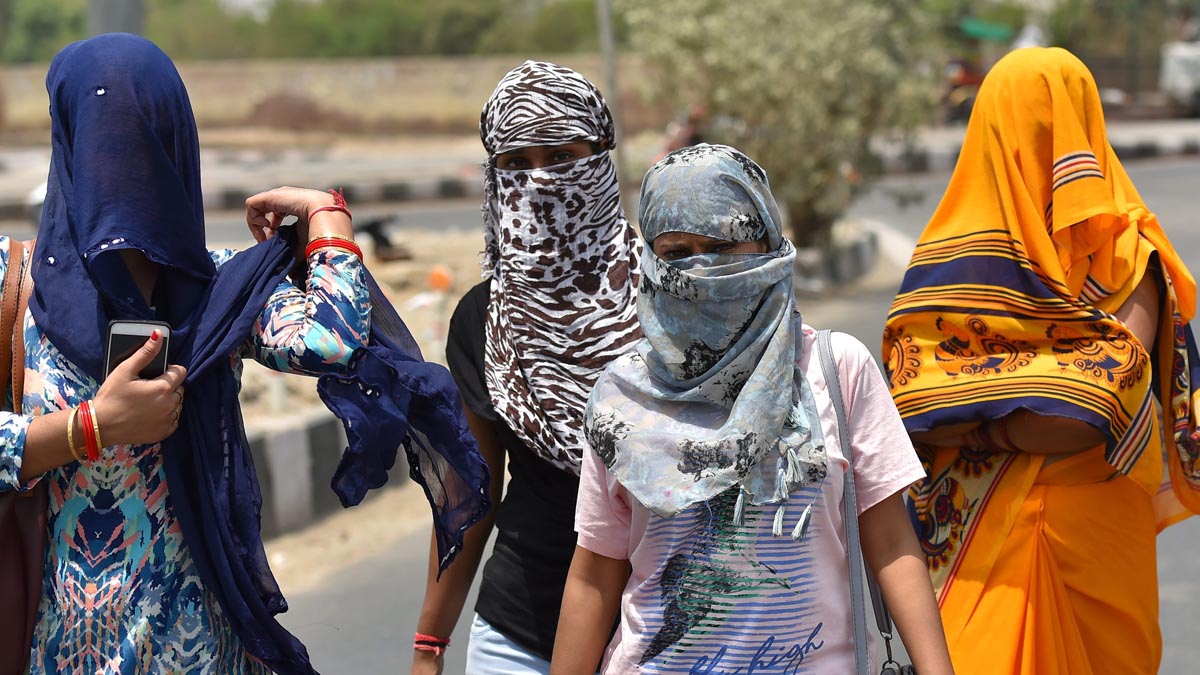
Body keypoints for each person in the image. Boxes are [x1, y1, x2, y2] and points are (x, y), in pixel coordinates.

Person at [0, 34, 487, 674]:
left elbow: (333, 340)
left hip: (203, 653)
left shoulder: (221, 289)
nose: (119, 168)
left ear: (173, 146)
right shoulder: (12, 289)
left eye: (140, 140)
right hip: (58, 653)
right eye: (100, 140)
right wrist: (91, 427)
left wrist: (326, 214)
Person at [552, 144, 954, 675]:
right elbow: (594, 576)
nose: (701, 268)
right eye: (676, 252)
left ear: (767, 244)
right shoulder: (622, 396)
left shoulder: (837, 370)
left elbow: (891, 542)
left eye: (722, 245)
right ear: (650, 261)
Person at [882, 47, 1200, 674]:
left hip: (1084, 540)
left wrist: (977, 423)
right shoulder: (961, 254)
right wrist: (1033, 402)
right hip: (986, 545)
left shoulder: (1123, 253)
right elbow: (906, 402)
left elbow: (1091, 407)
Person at [410, 61, 641, 674]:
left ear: (601, 156)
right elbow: (472, 492)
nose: (540, 180)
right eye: (516, 162)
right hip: (520, 633)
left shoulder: (668, 299)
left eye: (562, 155)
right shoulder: (485, 321)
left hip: (667, 635)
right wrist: (429, 645)